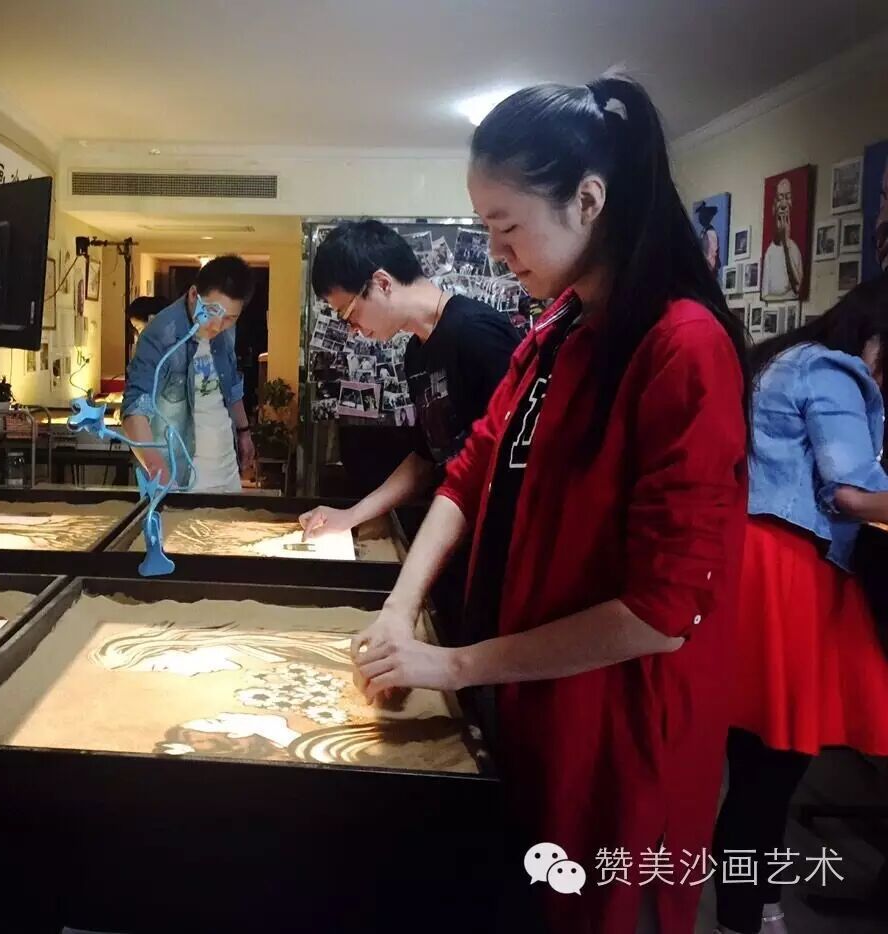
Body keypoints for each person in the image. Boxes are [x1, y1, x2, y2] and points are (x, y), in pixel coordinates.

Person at [350, 76, 751, 934]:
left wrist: (454, 666)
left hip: (618, 732)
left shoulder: (682, 346)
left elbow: (661, 613)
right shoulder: (558, 327)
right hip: (530, 698)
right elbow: (469, 471)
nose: (498, 254)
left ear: (589, 200)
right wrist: (399, 609)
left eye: (508, 227)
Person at [712, 277, 888, 934]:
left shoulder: (783, 358)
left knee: (754, 769)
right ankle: (746, 916)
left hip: (751, 567)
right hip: (788, 575)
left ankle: (754, 906)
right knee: (769, 775)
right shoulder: (835, 372)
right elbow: (852, 494)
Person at [298, 220, 519, 541]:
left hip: (501, 534)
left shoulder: (477, 333)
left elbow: (519, 454)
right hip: (458, 532)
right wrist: (349, 516)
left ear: (382, 283)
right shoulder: (416, 353)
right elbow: (426, 458)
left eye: (348, 312)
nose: (352, 329)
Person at [122, 256, 254, 493]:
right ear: (194, 294)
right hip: (181, 477)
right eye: (212, 311)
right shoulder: (161, 334)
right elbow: (134, 410)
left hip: (226, 470)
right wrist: (157, 472)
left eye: (229, 318)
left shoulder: (226, 329)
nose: (217, 325)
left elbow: (231, 384)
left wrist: (244, 432)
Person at [762, 178, 805, 301]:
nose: (784, 204)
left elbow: (797, 287)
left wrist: (786, 243)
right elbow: (765, 295)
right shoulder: (770, 253)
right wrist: (787, 295)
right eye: (780, 198)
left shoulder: (794, 249)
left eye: (788, 197)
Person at [695, 201, 721, 275]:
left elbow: (713, 252)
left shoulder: (711, 232)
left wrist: (710, 268)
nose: (700, 218)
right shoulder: (703, 231)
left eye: (702, 216)